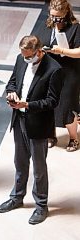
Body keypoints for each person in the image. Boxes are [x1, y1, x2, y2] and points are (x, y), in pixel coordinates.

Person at [0, 35, 62, 225]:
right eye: (23, 56)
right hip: (19, 121)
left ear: (39, 51)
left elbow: (52, 101)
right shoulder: (20, 59)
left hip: (38, 124)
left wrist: (27, 104)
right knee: (20, 161)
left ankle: (41, 205)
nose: (25, 59)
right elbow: (13, 82)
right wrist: (11, 92)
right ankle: (17, 197)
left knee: (39, 168)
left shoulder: (54, 70)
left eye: (28, 56)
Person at [37, 0, 79, 152]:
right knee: (49, 105)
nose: (55, 19)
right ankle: (50, 134)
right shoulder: (47, 25)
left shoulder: (75, 28)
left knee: (67, 106)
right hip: (50, 72)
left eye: (58, 16)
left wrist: (61, 51)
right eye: (53, 16)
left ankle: (74, 138)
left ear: (65, 14)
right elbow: (38, 40)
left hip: (69, 72)